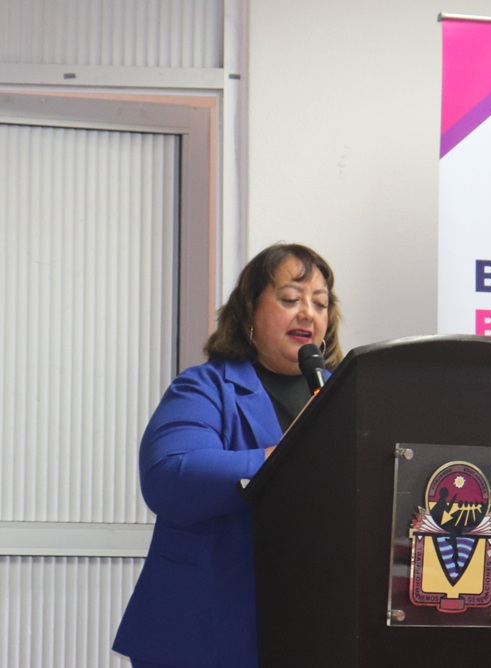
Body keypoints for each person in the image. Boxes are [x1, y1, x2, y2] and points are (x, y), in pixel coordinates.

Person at [113, 243, 343, 667]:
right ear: (249, 314)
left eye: (320, 303)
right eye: (290, 299)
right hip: (207, 630)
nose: (308, 312)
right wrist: (282, 457)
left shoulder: (343, 397)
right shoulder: (205, 387)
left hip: (314, 629)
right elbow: (170, 475)